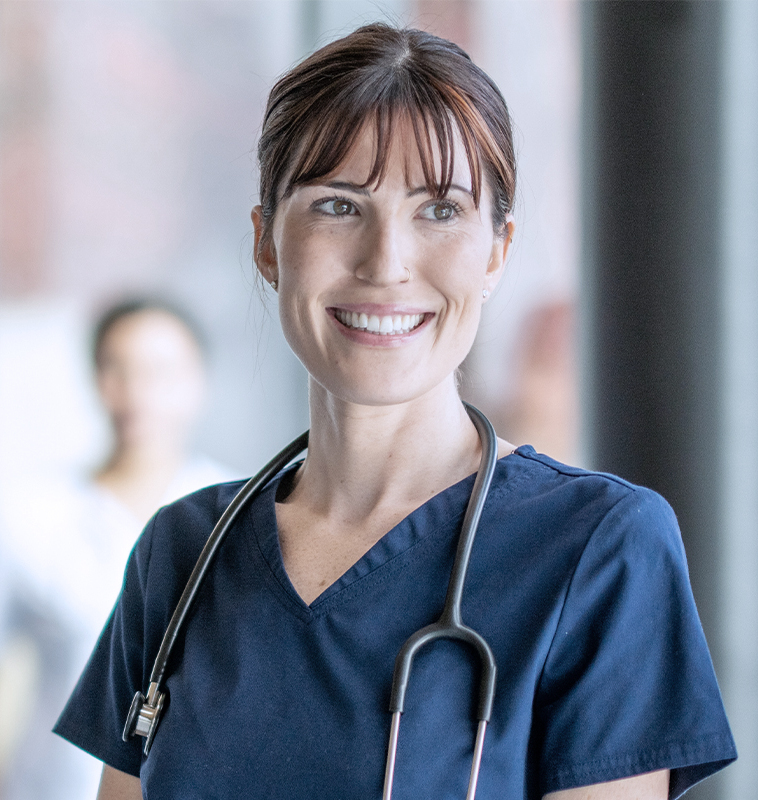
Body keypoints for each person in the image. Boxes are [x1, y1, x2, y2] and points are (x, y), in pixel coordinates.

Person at [54, 24, 736, 800]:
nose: (385, 263)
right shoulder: (182, 555)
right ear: (266, 246)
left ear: (495, 252)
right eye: (338, 205)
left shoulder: (599, 549)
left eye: (440, 210)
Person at [0, 299, 233, 800]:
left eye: (159, 371)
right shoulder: (24, 513)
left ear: (199, 383)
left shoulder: (242, 517)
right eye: (116, 368)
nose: (137, 392)